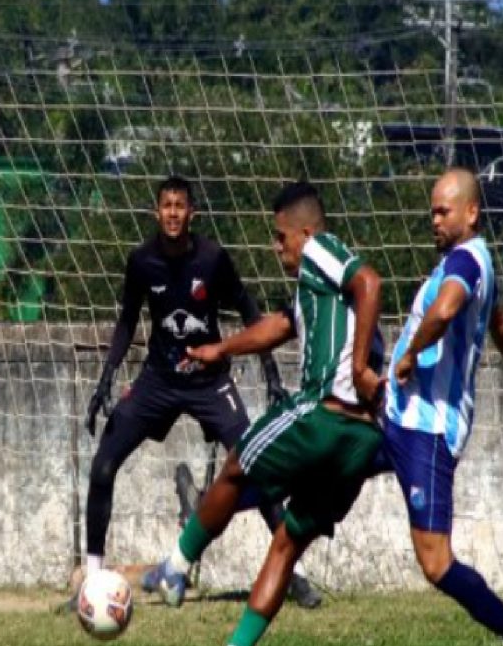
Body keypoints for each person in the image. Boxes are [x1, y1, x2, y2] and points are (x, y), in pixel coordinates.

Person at [145, 181, 385, 646]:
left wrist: (358, 368)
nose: (277, 247)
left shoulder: (321, 250)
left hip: (323, 414)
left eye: (281, 236)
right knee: (286, 545)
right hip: (362, 439)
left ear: (305, 233)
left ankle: (175, 567)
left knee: (237, 461)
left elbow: (370, 281)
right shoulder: (318, 292)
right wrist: (220, 349)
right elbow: (278, 326)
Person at [81, 175, 320, 607]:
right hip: (158, 380)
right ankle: (91, 582)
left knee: (259, 468)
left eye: (180, 206)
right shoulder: (141, 261)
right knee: (102, 466)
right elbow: (127, 322)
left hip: (210, 381)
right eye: (166, 206)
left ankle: (296, 575)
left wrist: (270, 374)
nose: (173, 213)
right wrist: (106, 378)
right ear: (157, 212)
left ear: (191, 213)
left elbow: (249, 312)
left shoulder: (212, 259)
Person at [384, 168, 503, 646]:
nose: (434, 220)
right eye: (432, 211)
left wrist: (411, 353)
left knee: (436, 562)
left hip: (428, 428)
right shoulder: (475, 264)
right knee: (331, 458)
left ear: (471, 212)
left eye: (443, 211)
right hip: (397, 416)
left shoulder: (466, 262)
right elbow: (501, 325)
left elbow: (446, 309)